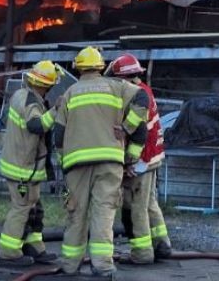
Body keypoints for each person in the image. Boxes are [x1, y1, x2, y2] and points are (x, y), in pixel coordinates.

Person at [51, 47, 140, 278]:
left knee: (76, 213)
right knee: (104, 213)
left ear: (78, 67)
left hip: (77, 164)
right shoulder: (117, 87)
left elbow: (58, 135)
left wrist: (63, 160)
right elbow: (143, 98)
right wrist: (127, 127)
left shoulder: (70, 93)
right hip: (109, 162)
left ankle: (70, 265)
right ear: (101, 66)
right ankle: (102, 266)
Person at [107, 54, 173, 264]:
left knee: (137, 207)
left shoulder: (135, 96)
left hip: (144, 159)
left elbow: (141, 133)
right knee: (149, 203)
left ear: (123, 78)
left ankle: (142, 253)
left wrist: (135, 163)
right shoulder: (143, 90)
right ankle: (162, 245)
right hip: (153, 157)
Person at [0, 60, 60, 267]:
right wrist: (56, 110)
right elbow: (36, 125)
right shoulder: (31, 102)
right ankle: (8, 252)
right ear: (44, 84)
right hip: (22, 168)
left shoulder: (22, 95)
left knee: (34, 208)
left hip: (23, 166)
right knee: (22, 208)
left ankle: (33, 246)